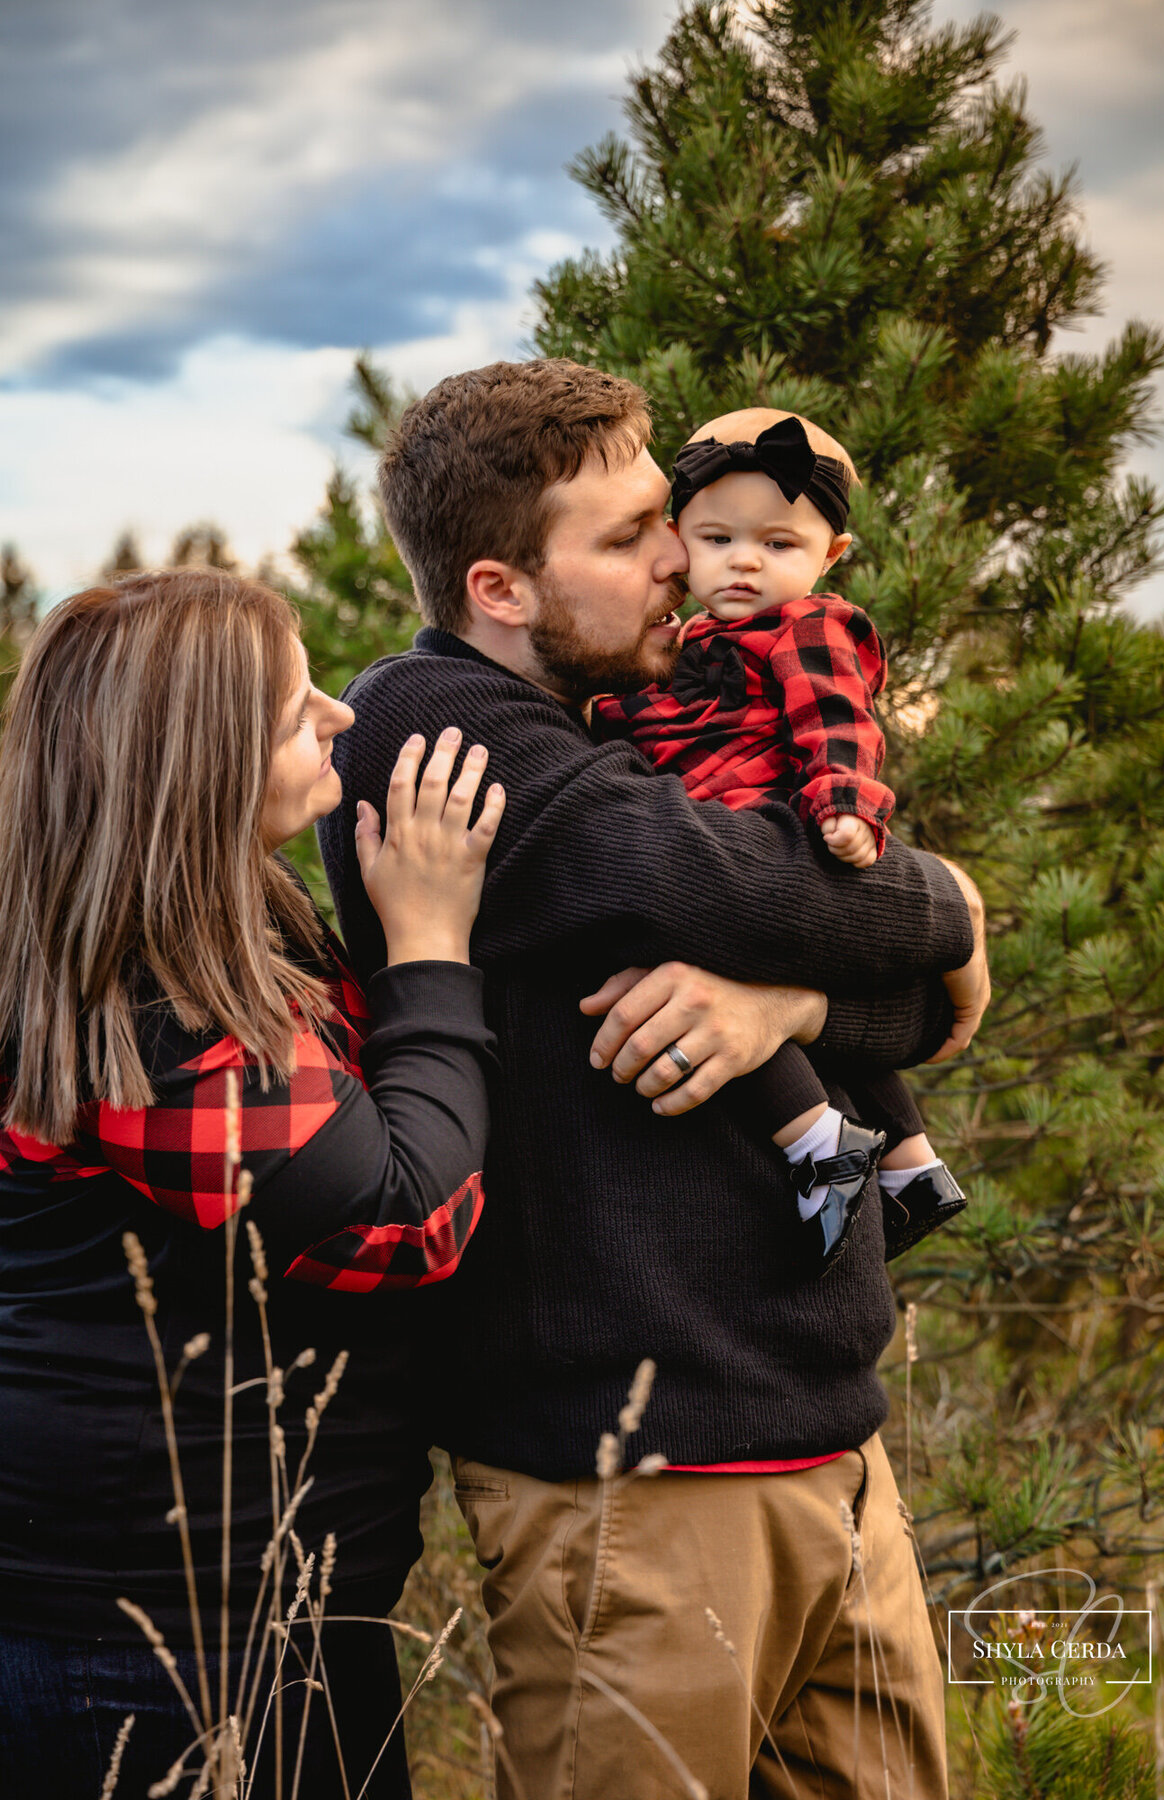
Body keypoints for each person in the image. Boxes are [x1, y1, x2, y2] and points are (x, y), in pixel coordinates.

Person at [319, 358, 990, 1800]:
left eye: (660, 516)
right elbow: (748, 885)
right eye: (629, 539)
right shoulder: (434, 731)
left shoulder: (652, 706)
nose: (684, 557)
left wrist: (799, 1001)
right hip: (629, 1479)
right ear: (499, 585)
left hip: (827, 1449)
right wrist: (949, 913)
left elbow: (828, 936)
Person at [0, 571, 504, 1799]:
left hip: (235, 1610)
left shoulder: (206, 928)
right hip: (163, 1645)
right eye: (294, 713)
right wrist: (435, 951)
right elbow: (398, 1221)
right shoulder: (149, 998)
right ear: (202, 767)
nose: (337, 716)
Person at [595, 406, 967, 1267]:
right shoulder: (679, 643)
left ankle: (817, 1143)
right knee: (792, 1003)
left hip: (779, 836)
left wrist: (844, 805)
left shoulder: (807, 627)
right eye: (718, 539)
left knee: (703, 987)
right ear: (678, 537)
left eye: (779, 545)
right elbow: (633, 727)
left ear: (829, 557)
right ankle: (911, 1164)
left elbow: (838, 722)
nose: (746, 561)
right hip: (713, 839)